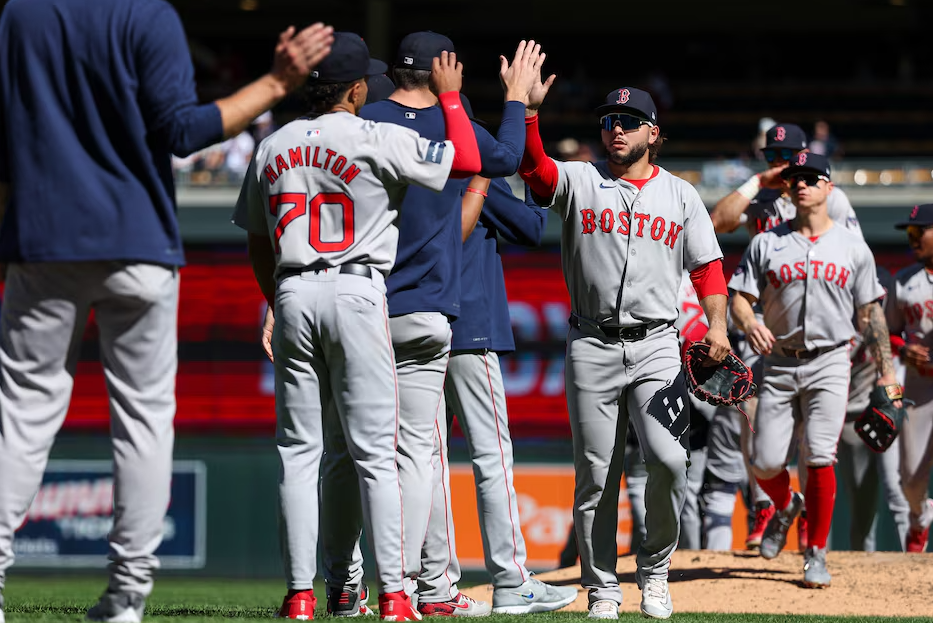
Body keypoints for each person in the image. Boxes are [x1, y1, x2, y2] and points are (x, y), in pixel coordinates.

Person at [0, 1, 333, 621]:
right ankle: (127, 596)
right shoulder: (146, 15)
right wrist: (278, 84)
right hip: (137, 241)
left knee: (22, 413)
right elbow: (183, 131)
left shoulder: (20, 15)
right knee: (144, 418)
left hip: (42, 236)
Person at [240, 32, 484, 619]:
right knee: (377, 453)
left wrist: (278, 297)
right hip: (357, 288)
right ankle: (397, 595)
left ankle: (301, 595)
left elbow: (255, 239)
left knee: (300, 452)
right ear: (356, 88)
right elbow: (470, 163)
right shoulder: (378, 135)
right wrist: (450, 99)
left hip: (293, 287)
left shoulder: (270, 145)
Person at [316, 35, 542, 617]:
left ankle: (340, 586)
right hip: (428, 311)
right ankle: (411, 587)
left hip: (354, 302)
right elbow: (504, 164)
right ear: (448, 68)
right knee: (423, 453)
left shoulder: (363, 122)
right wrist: (514, 100)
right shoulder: (452, 123)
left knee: (346, 453)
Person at [519, 76, 731, 619]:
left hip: (659, 345)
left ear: (652, 133)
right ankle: (603, 587)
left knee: (668, 458)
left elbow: (707, 268)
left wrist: (718, 328)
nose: (616, 129)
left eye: (628, 122)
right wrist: (527, 113)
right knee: (597, 473)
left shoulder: (680, 194)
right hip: (591, 342)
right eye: (609, 121)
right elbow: (538, 175)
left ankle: (655, 570)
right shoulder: (582, 179)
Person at [435, 97, 578, 614]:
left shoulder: (401, 155)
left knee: (423, 461)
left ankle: (432, 587)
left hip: (408, 321)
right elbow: (534, 227)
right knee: (491, 456)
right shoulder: (471, 168)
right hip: (469, 328)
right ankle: (511, 580)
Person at [729, 152, 898, 588]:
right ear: (787, 187)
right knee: (764, 461)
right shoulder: (766, 242)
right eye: (794, 178)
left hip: (830, 362)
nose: (801, 184)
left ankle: (815, 553)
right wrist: (750, 323)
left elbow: (872, 313)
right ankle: (787, 506)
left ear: (828, 188)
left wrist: (887, 374)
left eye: (811, 178)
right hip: (779, 363)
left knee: (820, 454)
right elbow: (739, 299)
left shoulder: (852, 246)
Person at [836, 266, 910, 551]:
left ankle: (912, 563)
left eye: (879, 298)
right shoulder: (839, 324)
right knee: (861, 507)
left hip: (888, 413)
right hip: (852, 418)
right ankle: (862, 571)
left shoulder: (890, 330)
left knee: (897, 492)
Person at [887, 203, 933, 553]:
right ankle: (920, 519)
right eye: (910, 233)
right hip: (921, 384)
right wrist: (904, 351)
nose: (912, 238)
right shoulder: (905, 281)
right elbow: (888, 333)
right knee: (911, 480)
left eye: (919, 232)